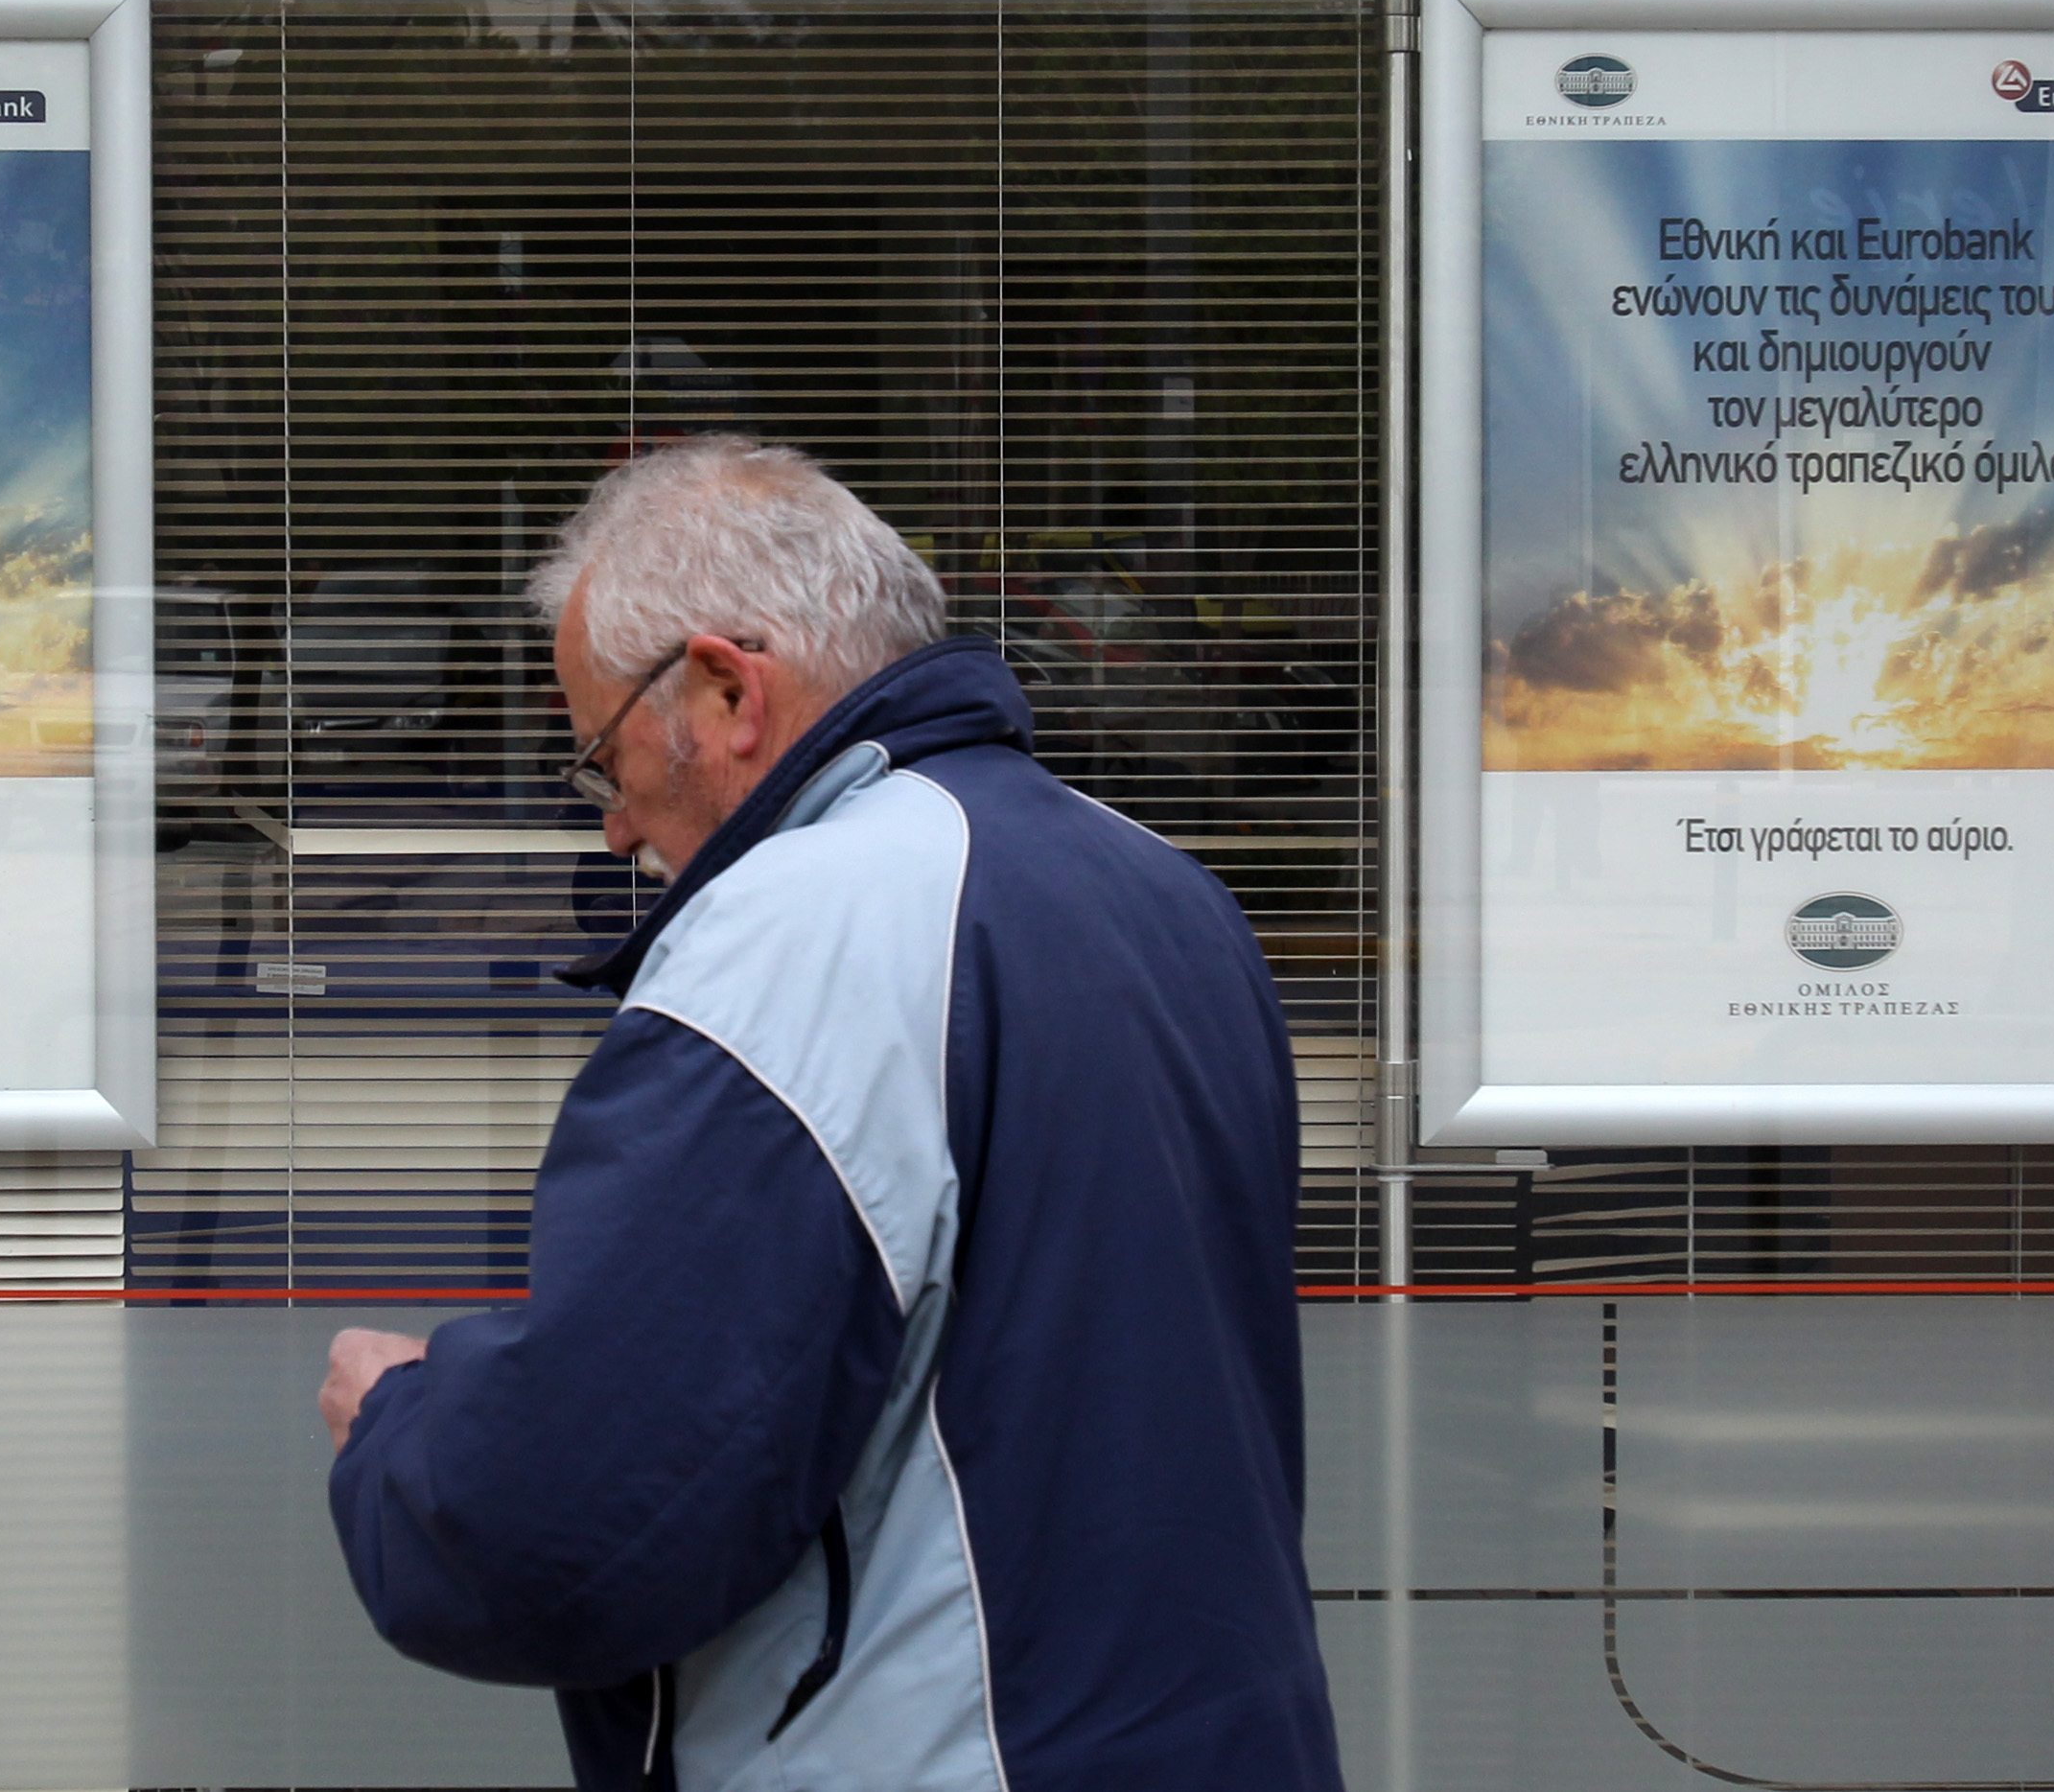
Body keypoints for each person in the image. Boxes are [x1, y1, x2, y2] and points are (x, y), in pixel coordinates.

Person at [318, 434, 1344, 1792]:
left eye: (604, 758)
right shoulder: (1162, 887)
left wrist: (402, 1428)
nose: (614, 827)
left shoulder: (801, 926)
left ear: (725, 689)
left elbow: (576, 1520)